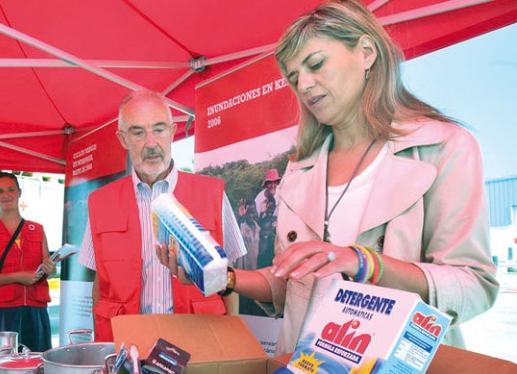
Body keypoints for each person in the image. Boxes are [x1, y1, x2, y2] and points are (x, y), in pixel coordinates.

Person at [160, 0, 498, 355]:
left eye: (316, 64)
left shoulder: (443, 147)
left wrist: (365, 262)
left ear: (366, 52)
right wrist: (223, 278)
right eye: (294, 77)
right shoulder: (301, 168)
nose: (304, 85)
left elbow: (474, 285)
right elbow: (291, 283)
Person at [79, 89, 247, 342]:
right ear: (122, 139)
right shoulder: (100, 202)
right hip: (128, 342)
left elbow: (230, 273)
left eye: (158, 129)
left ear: (172, 130)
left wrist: (231, 339)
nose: (151, 143)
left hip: (198, 338)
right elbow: (100, 284)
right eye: (137, 132)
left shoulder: (212, 193)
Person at [0, 172, 56, 353]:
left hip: (35, 310)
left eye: (10, 189)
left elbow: (48, 269)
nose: (6, 195)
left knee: (37, 364)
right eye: (0, 191)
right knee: (6, 367)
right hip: (2, 312)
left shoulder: (37, 230)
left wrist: (51, 269)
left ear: (19, 192)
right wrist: (17, 277)